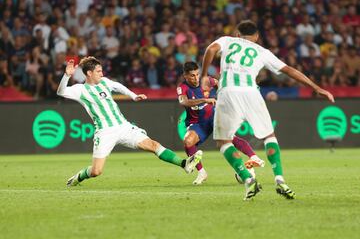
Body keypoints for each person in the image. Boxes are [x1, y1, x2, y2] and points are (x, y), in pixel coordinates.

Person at [200, 20, 334, 200]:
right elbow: (289, 70)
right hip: (251, 93)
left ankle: (248, 179)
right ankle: (280, 180)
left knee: (224, 142)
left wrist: (203, 76)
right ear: (256, 37)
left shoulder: (227, 40)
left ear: (238, 34)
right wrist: (316, 87)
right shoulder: (262, 52)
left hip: (228, 92)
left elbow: (210, 50)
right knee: (269, 137)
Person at [57, 56, 203, 187]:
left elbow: (118, 86)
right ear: (89, 73)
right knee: (96, 171)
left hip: (123, 126)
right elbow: (61, 92)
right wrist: (66, 76)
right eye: (99, 71)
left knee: (153, 145)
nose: (102, 74)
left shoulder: (104, 82)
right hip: (105, 132)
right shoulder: (80, 90)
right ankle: (78, 177)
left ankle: (184, 163)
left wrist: (133, 96)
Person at [178, 61, 265, 185]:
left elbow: (221, 85)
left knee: (230, 138)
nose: (196, 78)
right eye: (192, 75)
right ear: (185, 75)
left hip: (214, 117)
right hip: (197, 123)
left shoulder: (207, 80)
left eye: (197, 74)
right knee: (188, 142)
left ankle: (253, 157)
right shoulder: (182, 87)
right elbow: (184, 102)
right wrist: (205, 100)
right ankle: (202, 172)